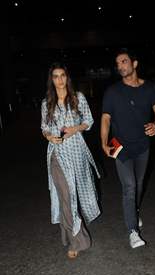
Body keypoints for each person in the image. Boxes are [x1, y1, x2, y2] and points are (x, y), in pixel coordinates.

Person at [101, 48, 155, 249]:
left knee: (138, 184)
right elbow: (105, 119)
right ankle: (132, 231)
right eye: (118, 63)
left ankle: (134, 211)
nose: (120, 66)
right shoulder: (112, 92)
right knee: (129, 186)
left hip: (143, 145)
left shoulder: (150, 88)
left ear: (134, 64)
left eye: (124, 61)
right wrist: (103, 142)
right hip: (119, 145)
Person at [41, 62, 101, 259]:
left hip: (76, 152)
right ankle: (78, 241)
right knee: (65, 197)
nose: (59, 79)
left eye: (62, 75)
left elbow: (89, 121)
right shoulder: (46, 103)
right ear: (52, 79)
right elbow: (44, 128)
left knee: (77, 195)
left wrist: (75, 129)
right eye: (55, 76)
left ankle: (70, 234)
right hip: (56, 155)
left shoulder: (78, 98)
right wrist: (49, 136)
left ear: (67, 78)